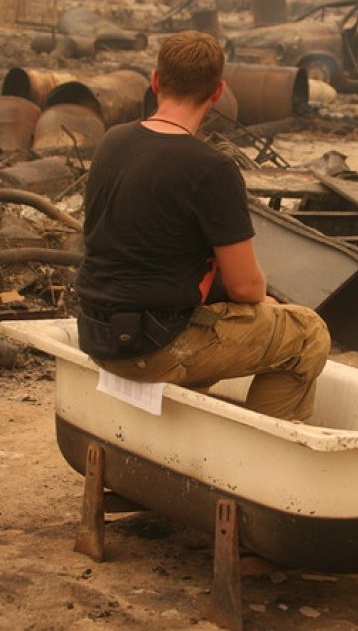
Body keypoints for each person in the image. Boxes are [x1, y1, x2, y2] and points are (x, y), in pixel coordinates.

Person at [75, 30, 330, 422]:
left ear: (156, 81)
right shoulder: (212, 169)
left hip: (96, 332)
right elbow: (246, 286)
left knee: (221, 310)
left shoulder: (113, 141)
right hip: (153, 348)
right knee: (307, 333)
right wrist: (262, 306)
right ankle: (262, 459)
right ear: (217, 92)